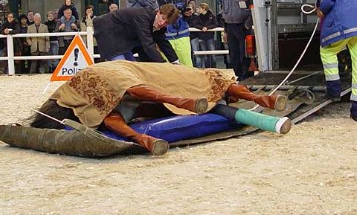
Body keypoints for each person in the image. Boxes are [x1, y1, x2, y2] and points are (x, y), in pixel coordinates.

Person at [29, 60, 288, 155]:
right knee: (203, 77)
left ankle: (145, 137)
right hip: (112, 74)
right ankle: (260, 99)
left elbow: (105, 114)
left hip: (102, 81)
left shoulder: (72, 98)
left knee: (110, 113)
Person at [93, 4, 179, 62]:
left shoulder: (159, 25)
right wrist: (163, 65)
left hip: (123, 40)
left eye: (167, 23)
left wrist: (175, 61)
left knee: (133, 68)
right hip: (108, 33)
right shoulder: (142, 17)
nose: (162, 23)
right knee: (123, 70)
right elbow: (148, 44)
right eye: (163, 18)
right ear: (158, 12)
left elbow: (163, 42)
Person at [221, 0, 254, 81]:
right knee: (233, 55)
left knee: (244, 53)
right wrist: (225, 30)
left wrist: (248, 24)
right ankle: (239, 75)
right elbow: (224, 9)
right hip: (230, 26)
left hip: (242, 25)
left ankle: (246, 76)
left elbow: (253, 6)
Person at [157, 0, 193, 66]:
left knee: (187, 65)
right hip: (165, 36)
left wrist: (188, 13)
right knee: (168, 67)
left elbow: (185, 13)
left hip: (182, 34)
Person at [194, 3, 218, 68]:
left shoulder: (212, 16)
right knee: (205, 55)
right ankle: (207, 69)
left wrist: (207, 27)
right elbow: (195, 24)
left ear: (203, 9)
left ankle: (214, 68)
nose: (198, 9)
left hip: (210, 37)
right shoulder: (198, 17)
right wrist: (202, 28)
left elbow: (215, 24)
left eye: (199, 8)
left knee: (212, 54)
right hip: (201, 37)